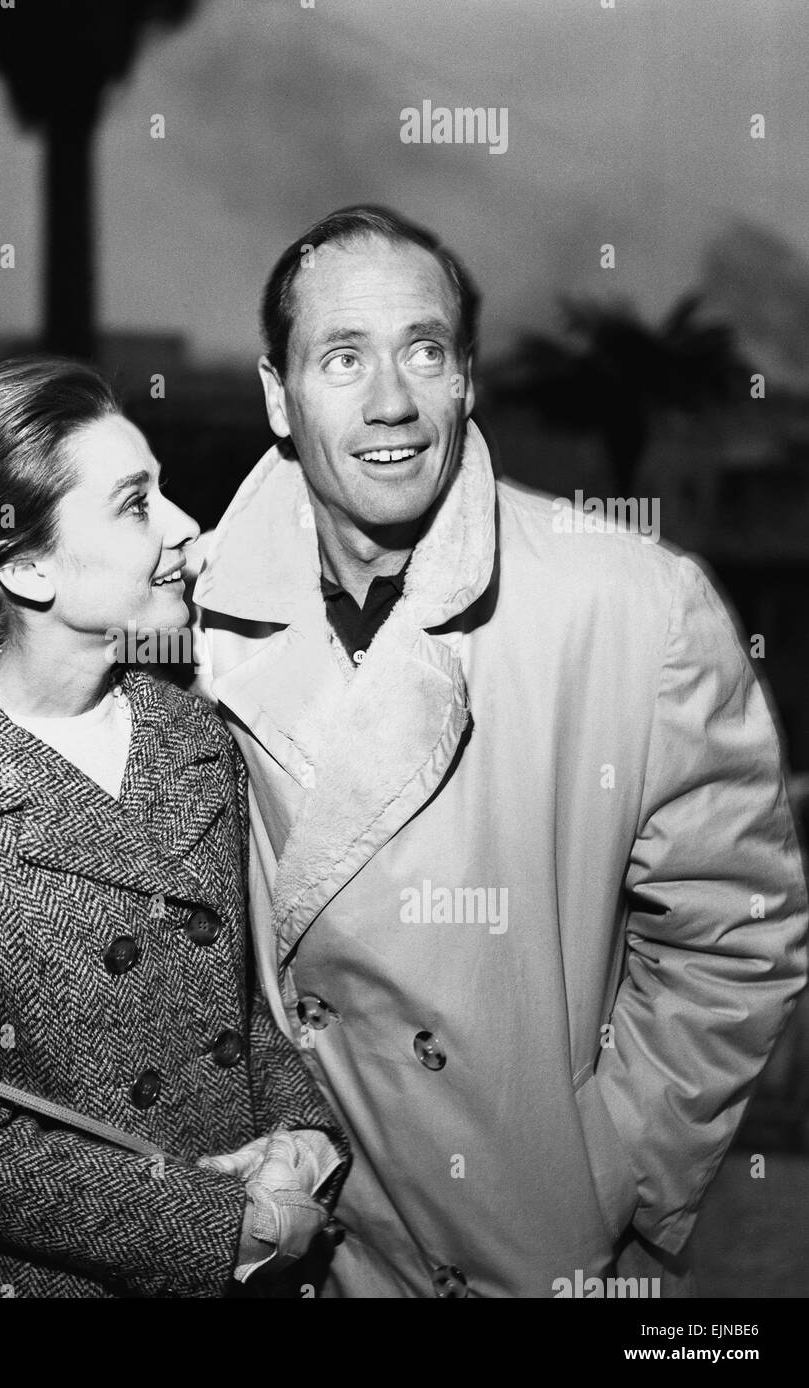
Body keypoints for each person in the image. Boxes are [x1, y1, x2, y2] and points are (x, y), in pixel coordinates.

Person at [187, 204, 809, 1297]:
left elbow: (737, 934)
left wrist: (610, 1171)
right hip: (309, 1251)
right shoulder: (189, 623)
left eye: (424, 351)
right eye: (341, 358)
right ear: (277, 397)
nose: (392, 401)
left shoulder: (633, 609)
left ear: (465, 377)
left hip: (536, 1252)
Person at [0, 356, 348, 1298]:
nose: (184, 528)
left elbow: (244, 1011)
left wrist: (303, 1141)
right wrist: (225, 1232)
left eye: (162, 490)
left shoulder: (196, 737)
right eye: (134, 505)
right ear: (27, 565)